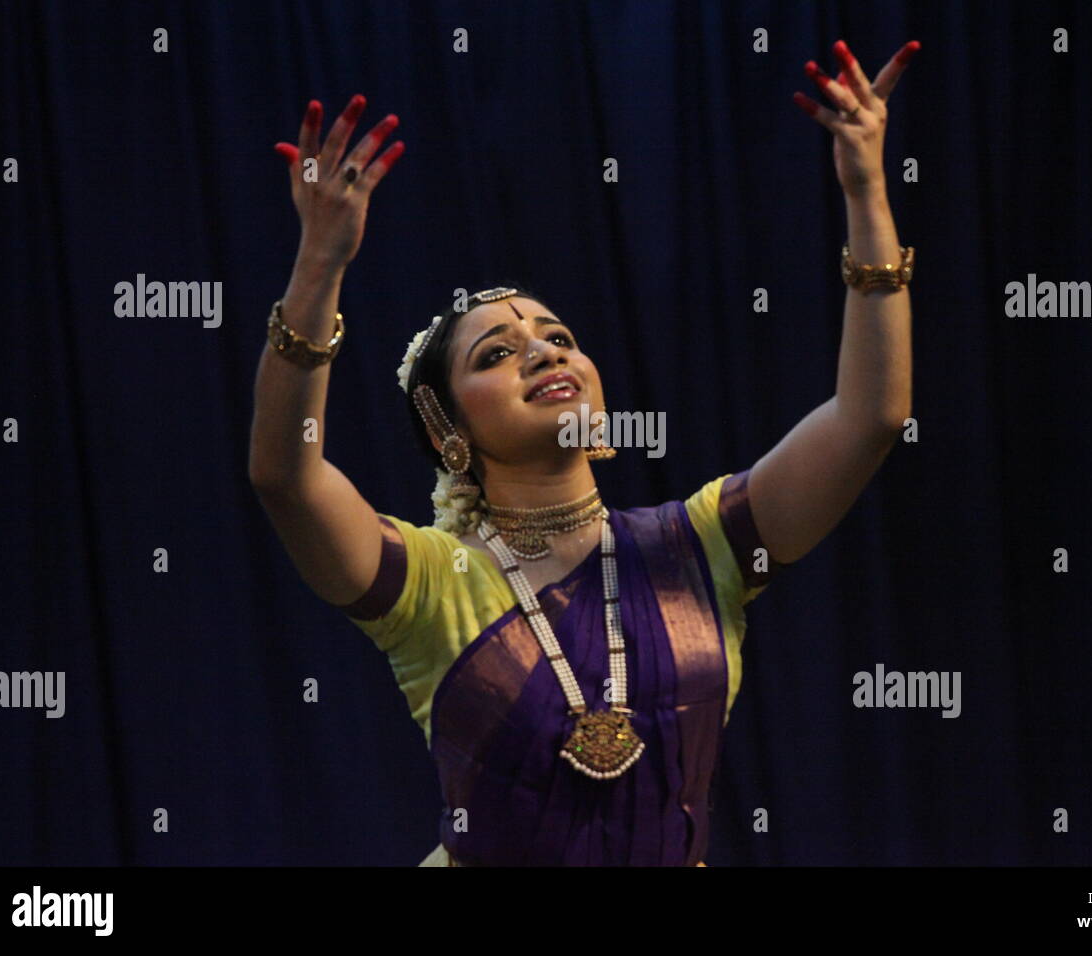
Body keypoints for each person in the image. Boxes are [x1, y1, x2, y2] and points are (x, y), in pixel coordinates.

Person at [250, 37, 919, 866]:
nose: (543, 353)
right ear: (449, 433)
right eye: (494, 354)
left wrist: (866, 191)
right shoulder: (429, 582)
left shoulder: (698, 544)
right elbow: (285, 472)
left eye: (558, 337)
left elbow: (871, 416)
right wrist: (319, 265)